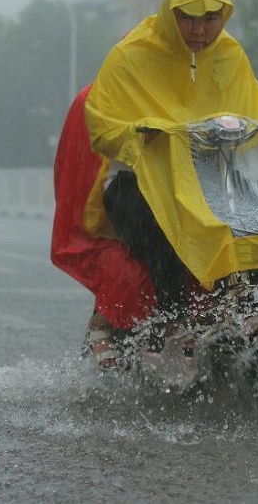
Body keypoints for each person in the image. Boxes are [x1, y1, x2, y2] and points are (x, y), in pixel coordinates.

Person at [82, 0, 258, 351]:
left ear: (222, 17)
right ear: (169, 15)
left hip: (209, 184)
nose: (199, 31)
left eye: (209, 20)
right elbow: (100, 125)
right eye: (188, 19)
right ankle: (175, 318)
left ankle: (243, 301)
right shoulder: (132, 55)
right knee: (160, 231)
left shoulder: (230, 55)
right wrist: (143, 136)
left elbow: (256, 115)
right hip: (139, 183)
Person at [50, 84, 157, 368]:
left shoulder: (195, 85)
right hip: (124, 207)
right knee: (129, 267)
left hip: (183, 204)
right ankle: (103, 322)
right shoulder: (96, 100)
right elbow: (78, 176)